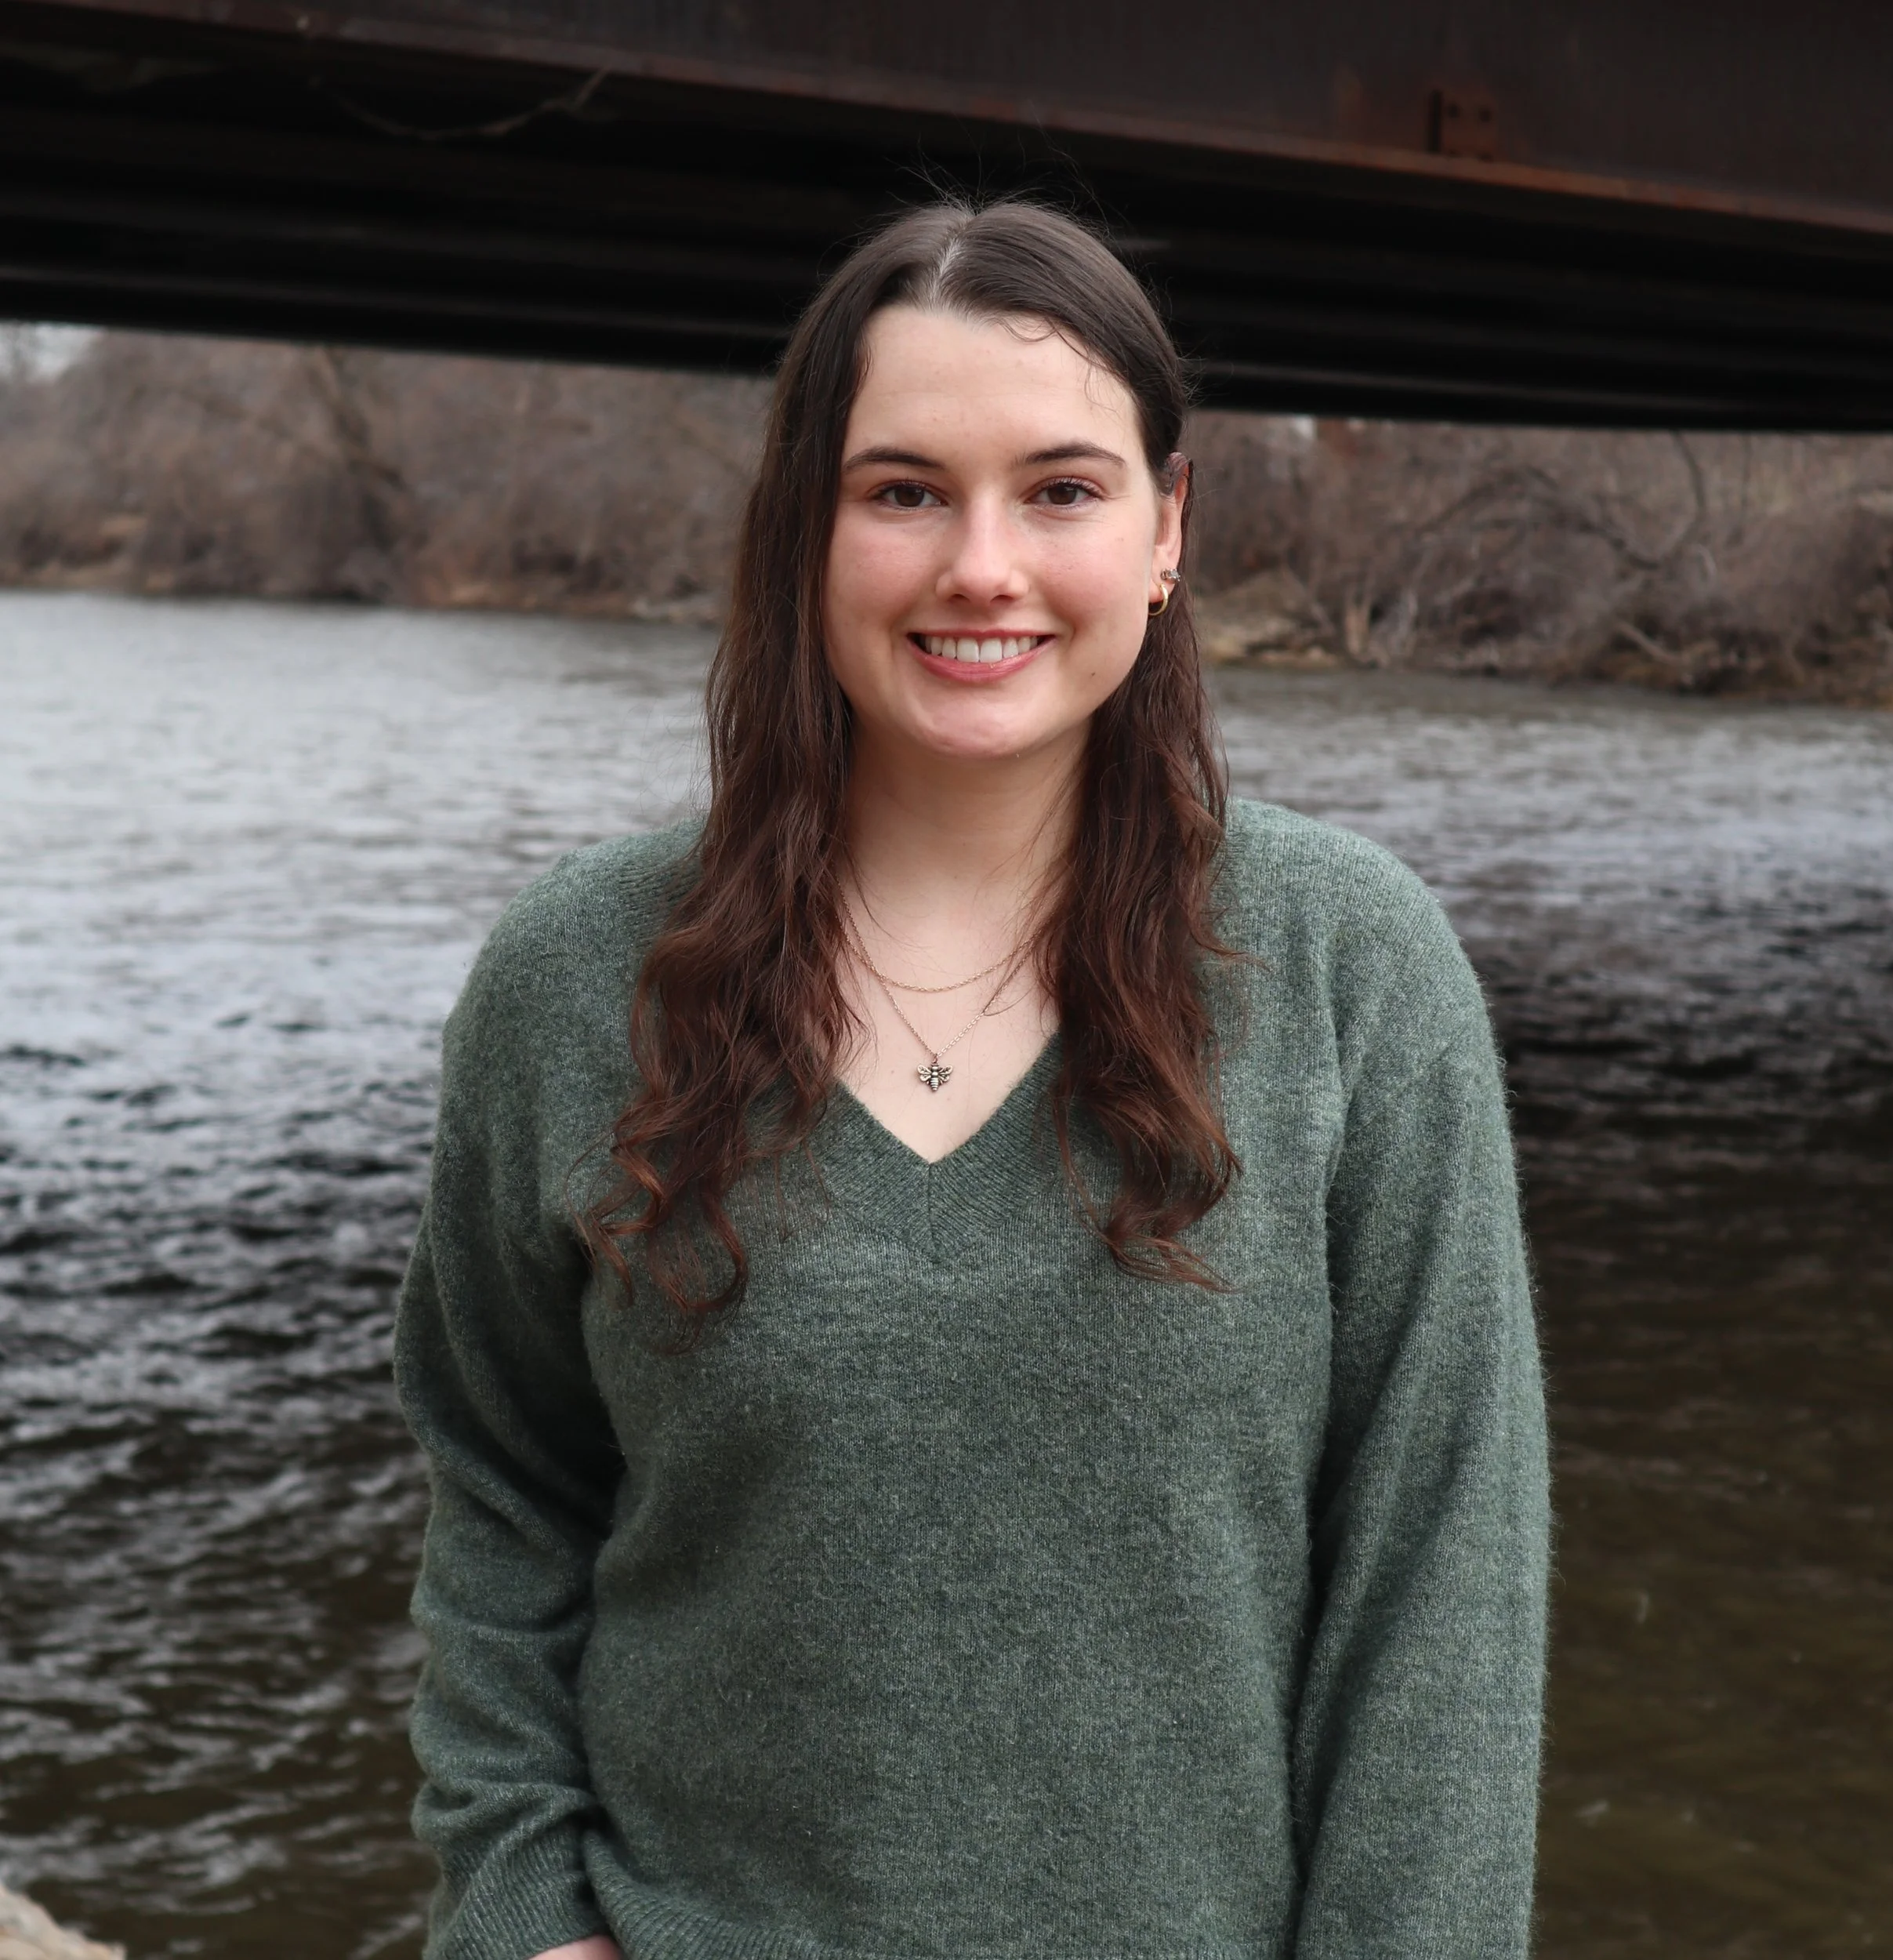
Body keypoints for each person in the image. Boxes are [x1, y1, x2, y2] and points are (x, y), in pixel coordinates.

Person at [393, 198, 1549, 1960]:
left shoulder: (1347, 969)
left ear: (1167, 530)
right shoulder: (578, 976)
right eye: (903, 488)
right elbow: (500, 1485)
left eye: (1062, 489)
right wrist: (521, 1904)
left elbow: (1440, 1588)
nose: (980, 565)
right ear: (806, 530)